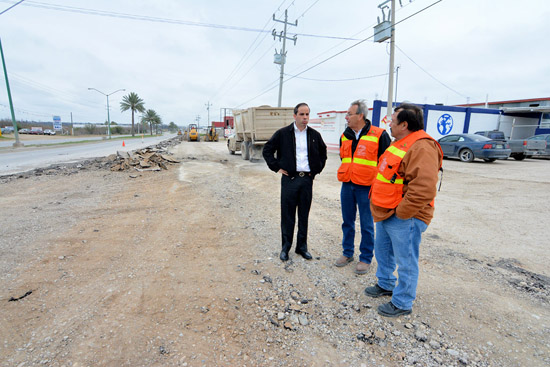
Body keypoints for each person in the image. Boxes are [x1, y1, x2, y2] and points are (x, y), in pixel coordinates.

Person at [364, 103, 443, 317]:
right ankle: (386, 284)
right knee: (383, 252)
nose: (389, 123)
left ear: (405, 124)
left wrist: (402, 213)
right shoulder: (400, 142)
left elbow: (424, 188)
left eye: (393, 120)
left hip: (404, 215)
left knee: (406, 260)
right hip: (387, 211)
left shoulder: (422, 147)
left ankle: (402, 302)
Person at [263, 103, 327, 262]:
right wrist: (276, 167)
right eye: (302, 114)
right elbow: (267, 150)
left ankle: (302, 247)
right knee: (288, 215)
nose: (305, 118)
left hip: (306, 180)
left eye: (307, 114)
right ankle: (286, 247)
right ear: (295, 116)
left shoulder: (314, 135)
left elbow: (323, 154)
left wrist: (316, 170)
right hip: (289, 180)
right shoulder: (283, 133)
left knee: (304, 215)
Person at [335, 100, 391, 274]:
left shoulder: (379, 134)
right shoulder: (345, 135)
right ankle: (347, 253)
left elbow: (387, 162)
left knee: (367, 224)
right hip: (347, 184)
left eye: (349, 114)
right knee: (347, 222)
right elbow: (344, 158)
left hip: (367, 187)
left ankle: (365, 258)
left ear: (360, 116)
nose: (346, 117)